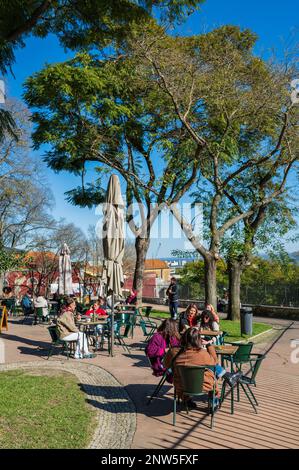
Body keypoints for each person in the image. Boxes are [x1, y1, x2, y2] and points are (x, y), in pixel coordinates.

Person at [164, 328, 241, 408]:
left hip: (182, 386)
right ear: (198, 340)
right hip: (203, 386)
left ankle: (186, 400)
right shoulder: (203, 354)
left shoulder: (173, 352)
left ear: (183, 338)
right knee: (211, 373)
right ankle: (213, 402)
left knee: (180, 373)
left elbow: (166, 364)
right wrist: (208, 345)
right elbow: (215, 362)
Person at [145, 319, 181, 383]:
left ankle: (183, 389)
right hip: (160, 364)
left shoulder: (173, 337)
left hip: (170, 361)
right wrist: (164, 350)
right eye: (176, 328)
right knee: (182, 371)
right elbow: (149, 351)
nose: (177, 330)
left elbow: (178, 346)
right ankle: (182, 389)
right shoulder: (157, 336)